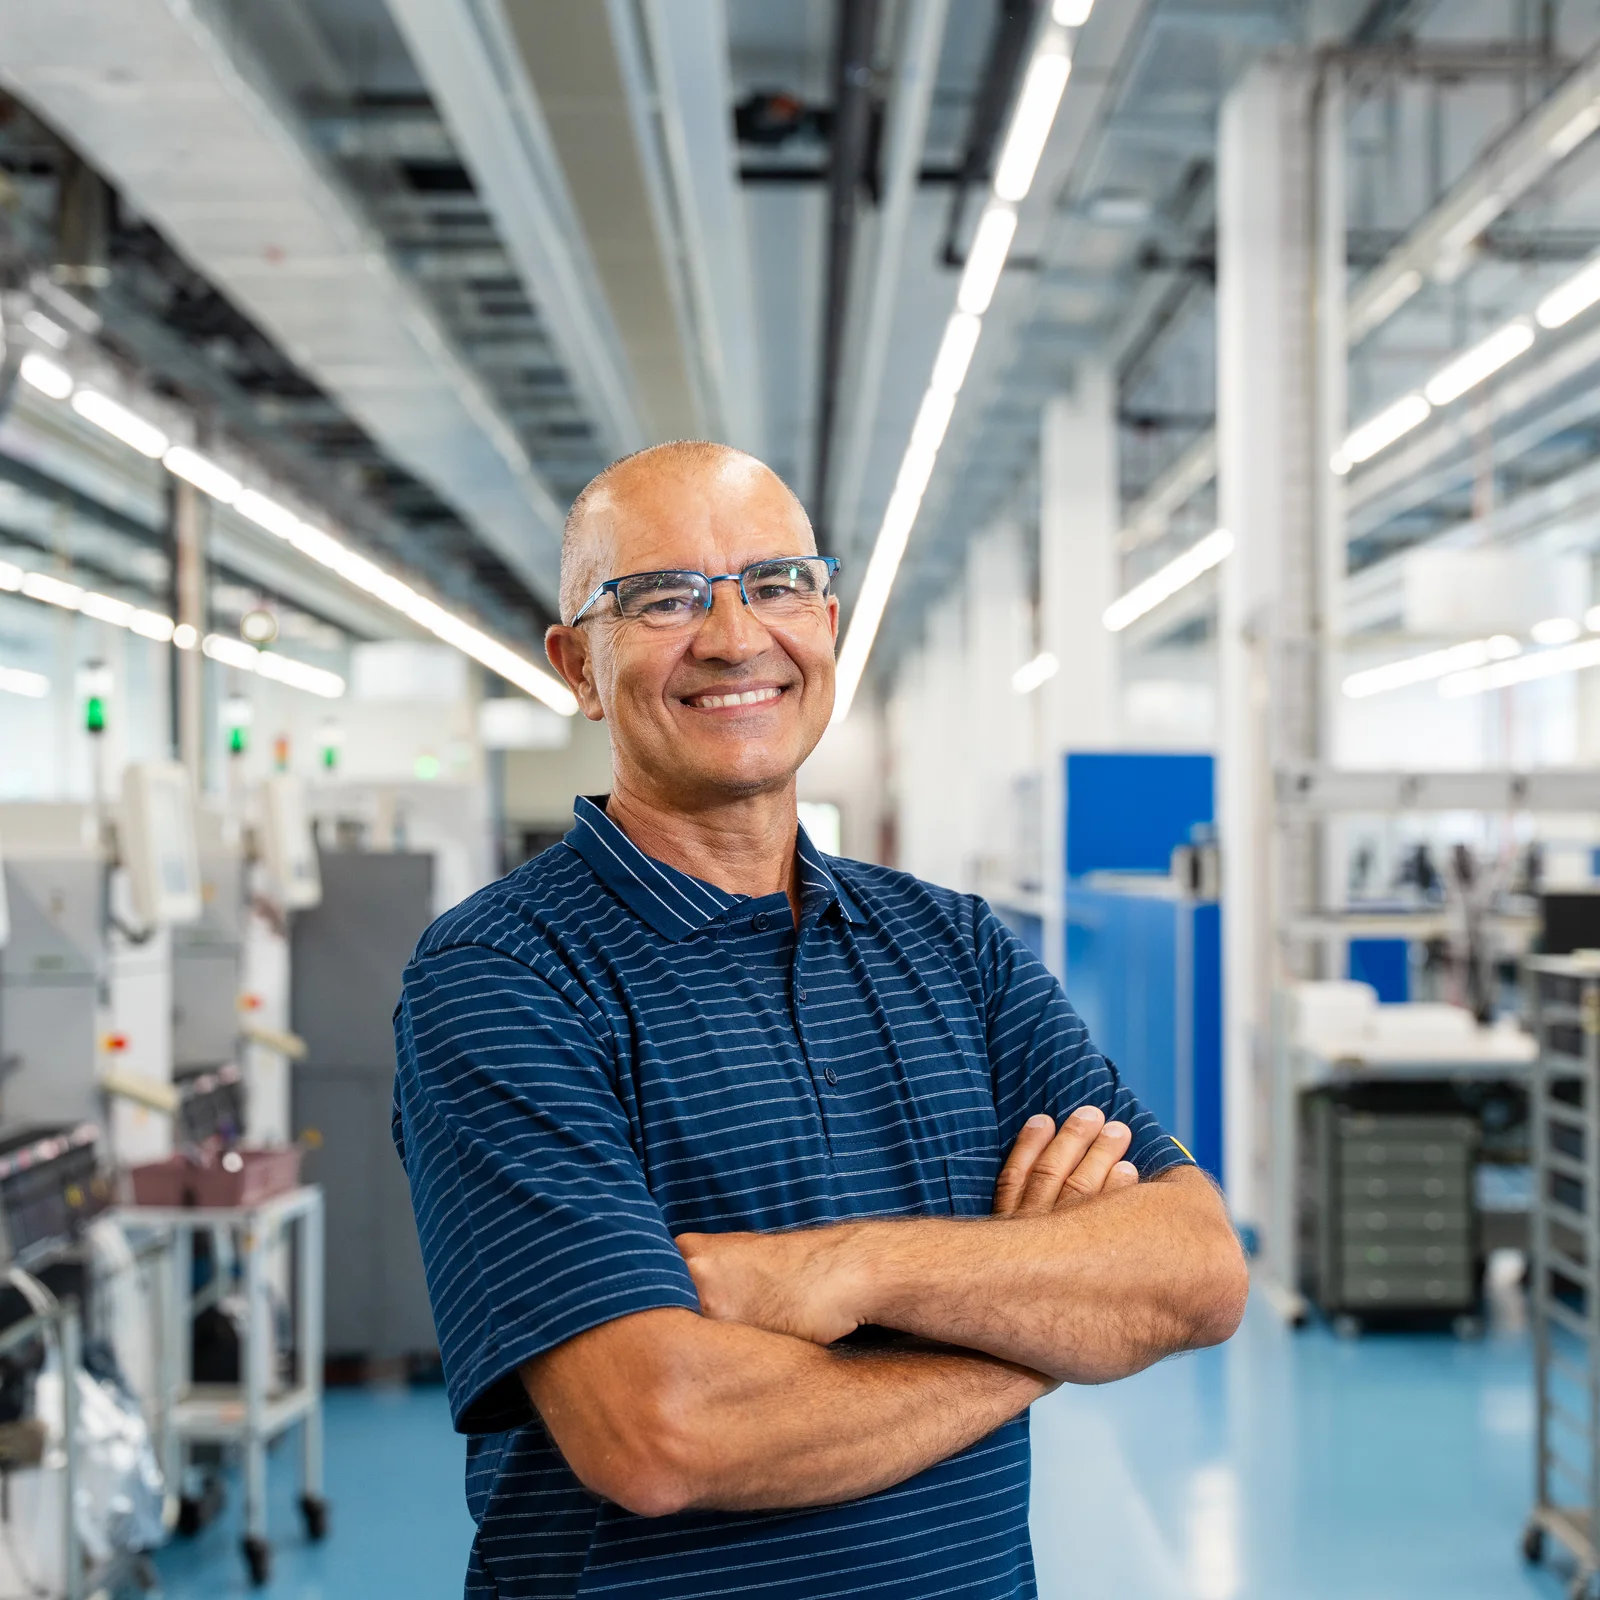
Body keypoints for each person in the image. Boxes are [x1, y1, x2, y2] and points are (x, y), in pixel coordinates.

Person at [391, 441, 1249, 1600]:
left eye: (776, 583)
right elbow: (660, 1432)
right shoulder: (502, 975)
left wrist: (845, 1270)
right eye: (662, 597)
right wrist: (1044, 1322)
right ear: (578, 668)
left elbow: (1195, 1269)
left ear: (828, 622)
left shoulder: (959, 947)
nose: (736, 635)